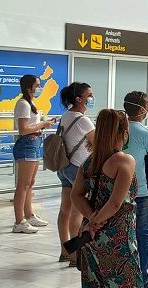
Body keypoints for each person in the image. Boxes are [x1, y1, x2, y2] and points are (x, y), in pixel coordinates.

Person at [71, 109, 142, 288]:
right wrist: (97, 219)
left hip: (91, 240)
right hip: (118, 241)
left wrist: (91, 219)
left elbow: (76, 195)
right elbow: (115, 203)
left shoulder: (89, 162)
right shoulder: (124, 161)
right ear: (123, 133)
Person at [122, 91, 148, 288]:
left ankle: (124, 277)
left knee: (124, 234)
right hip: (143, 191)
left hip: (121, 190)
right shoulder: (146, 133)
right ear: (142, 109)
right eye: (147, 105)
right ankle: (142, 281)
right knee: (143, 235)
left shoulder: (119, 129)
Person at [57, 82, 96, 266]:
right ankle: (75, 255)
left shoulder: (65, 116)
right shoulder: (83, 120)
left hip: (64, 167)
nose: (92, 98)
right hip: (78, 169)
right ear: (79, 99)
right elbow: (97, 142)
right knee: (77, 212)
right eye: (89, 95)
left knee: (65, 209)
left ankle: (64, 251)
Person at [11, 74, 55, 234]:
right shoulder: (23, 104)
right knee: (23, 184)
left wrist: (43, 124)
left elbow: (30, 125)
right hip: (27, 144)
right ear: (28, 87)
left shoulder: (30, 103)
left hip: (35, 142)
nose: (39, 88)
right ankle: (19, 221)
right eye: (37, 85)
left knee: (30, 183)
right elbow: (23, 129)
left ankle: (29, 215)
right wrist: (41, 124)